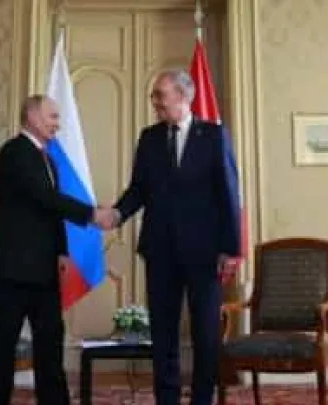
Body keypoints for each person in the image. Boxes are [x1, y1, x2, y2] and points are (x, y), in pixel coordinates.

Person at [102, 69, 241, 405]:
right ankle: (167, 399)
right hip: (160, 249)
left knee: (205, 334)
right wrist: (117, 213)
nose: (154, 102)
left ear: (182, 96)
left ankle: (202, 399)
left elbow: (228, 193)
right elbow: (138, 189)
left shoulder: (213, 136)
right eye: (154, 95)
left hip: (204, 253)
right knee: (163, 334)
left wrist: (230, 248)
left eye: (160, 95)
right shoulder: (149, 138)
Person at [0, 95, 114, 405]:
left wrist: (62, 252)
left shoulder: (48, 160)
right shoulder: (14, 152)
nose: (58, 124)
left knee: (50, 354)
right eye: (52, 116)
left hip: (44, 273)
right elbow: (44, 197)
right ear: (31, 116)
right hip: (11, 273)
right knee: (1, 354)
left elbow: (50, 213)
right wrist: (92, 214)